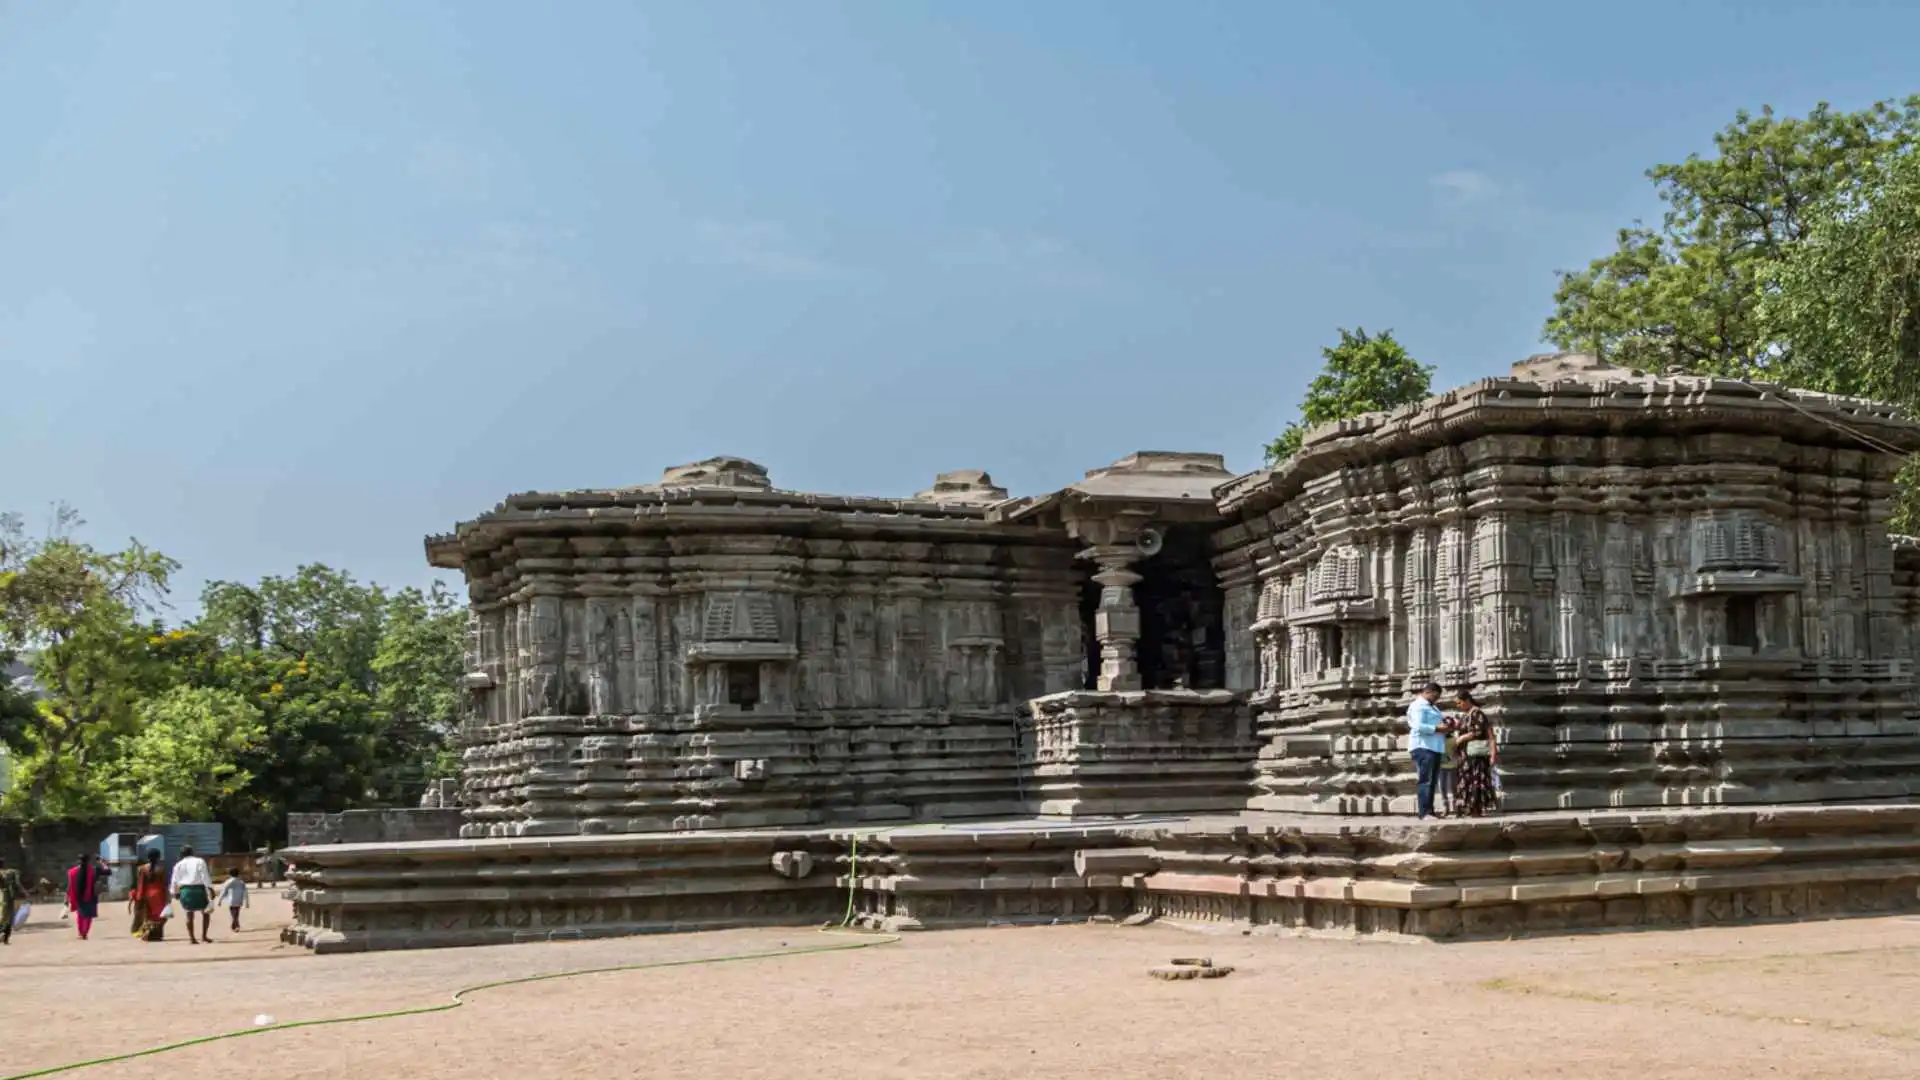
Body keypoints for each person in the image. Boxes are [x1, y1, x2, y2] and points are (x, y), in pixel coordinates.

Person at [1406, 681, 1450, 819]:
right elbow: (1418, 725)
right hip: (1423, 746)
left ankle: (1429, 811)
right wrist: (1437, 728)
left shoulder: (1433, 707)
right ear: (1427, 692)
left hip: (1434, 746)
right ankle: (1424, 812)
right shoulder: (1418, 706)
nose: (1436, 699)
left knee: (1432, 780)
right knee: (1426, 780)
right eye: (1435, 696)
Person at [1452, 688, 1500, 817]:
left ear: (1467, 700)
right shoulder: (1466, 715)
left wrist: (1462, 738)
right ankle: (1469, 807)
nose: (1458, 706)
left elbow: (1479, 731)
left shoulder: (1477, 713)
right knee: (1466, 780)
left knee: (1476, 780)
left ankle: (1476, 808)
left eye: (1459, 703)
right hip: (1466, 755)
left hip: (1476, 755)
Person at [170, 845, 215, 944]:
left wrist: (174, 892)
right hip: (199, 890)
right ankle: (204, 936)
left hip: (185, 891)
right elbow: (204, 875)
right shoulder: (199, 861)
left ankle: (192, 938)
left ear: (181, 854)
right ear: (192, 852)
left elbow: (174, 880)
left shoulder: (178, 865)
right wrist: (210, 888)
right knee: (206, 913)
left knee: (189, 915)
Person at [130, 849, 169, 942]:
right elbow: (164, 884)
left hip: (146, 893)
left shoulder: (142, 869)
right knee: (160, 916)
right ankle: (157, 935)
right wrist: (167, 897)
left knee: (148, 916)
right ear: (158, 857)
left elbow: (140, 883)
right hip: (158, 894)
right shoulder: (161, 869)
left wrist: (139, 896)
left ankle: (147, 933)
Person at [65, 852, 103, 940]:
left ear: (78, 861)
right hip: (90, 896)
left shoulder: (71, 872)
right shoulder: (92, 870)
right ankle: (85, 932)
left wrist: (67, 897)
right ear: (88, 861)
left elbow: (70, 886)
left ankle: (80, 933)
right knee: (88, 915)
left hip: (78, 896)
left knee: (80, 915)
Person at [218, 867, 249, 933]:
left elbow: (224, 891)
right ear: (238, 874)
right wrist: (247, 902)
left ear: (230, 874)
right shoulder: (241, 882)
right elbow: (245, 892)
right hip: (239, 899)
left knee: (233, 913)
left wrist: (219, 900)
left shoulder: (229, 881)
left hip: (231, 900)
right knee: (237, 913)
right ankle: (236, 924)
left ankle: (234, 925)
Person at [1438, 728, 1460, 817]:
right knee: (1442, 786)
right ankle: (1445, 807)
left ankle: (1456, 807)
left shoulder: (1454, 739)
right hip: (1441, 766)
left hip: (1452, 766)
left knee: (1453, 786)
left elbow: (1457, 751)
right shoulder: (1438, 739)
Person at [0, 856, 22, 945]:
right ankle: (5, 938)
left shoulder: (5, 873)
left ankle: (4, 937)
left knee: (4, 917)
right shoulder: (11, 872)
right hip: (8, 896)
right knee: (8, 918)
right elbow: (17, 884)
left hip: (3, 895)